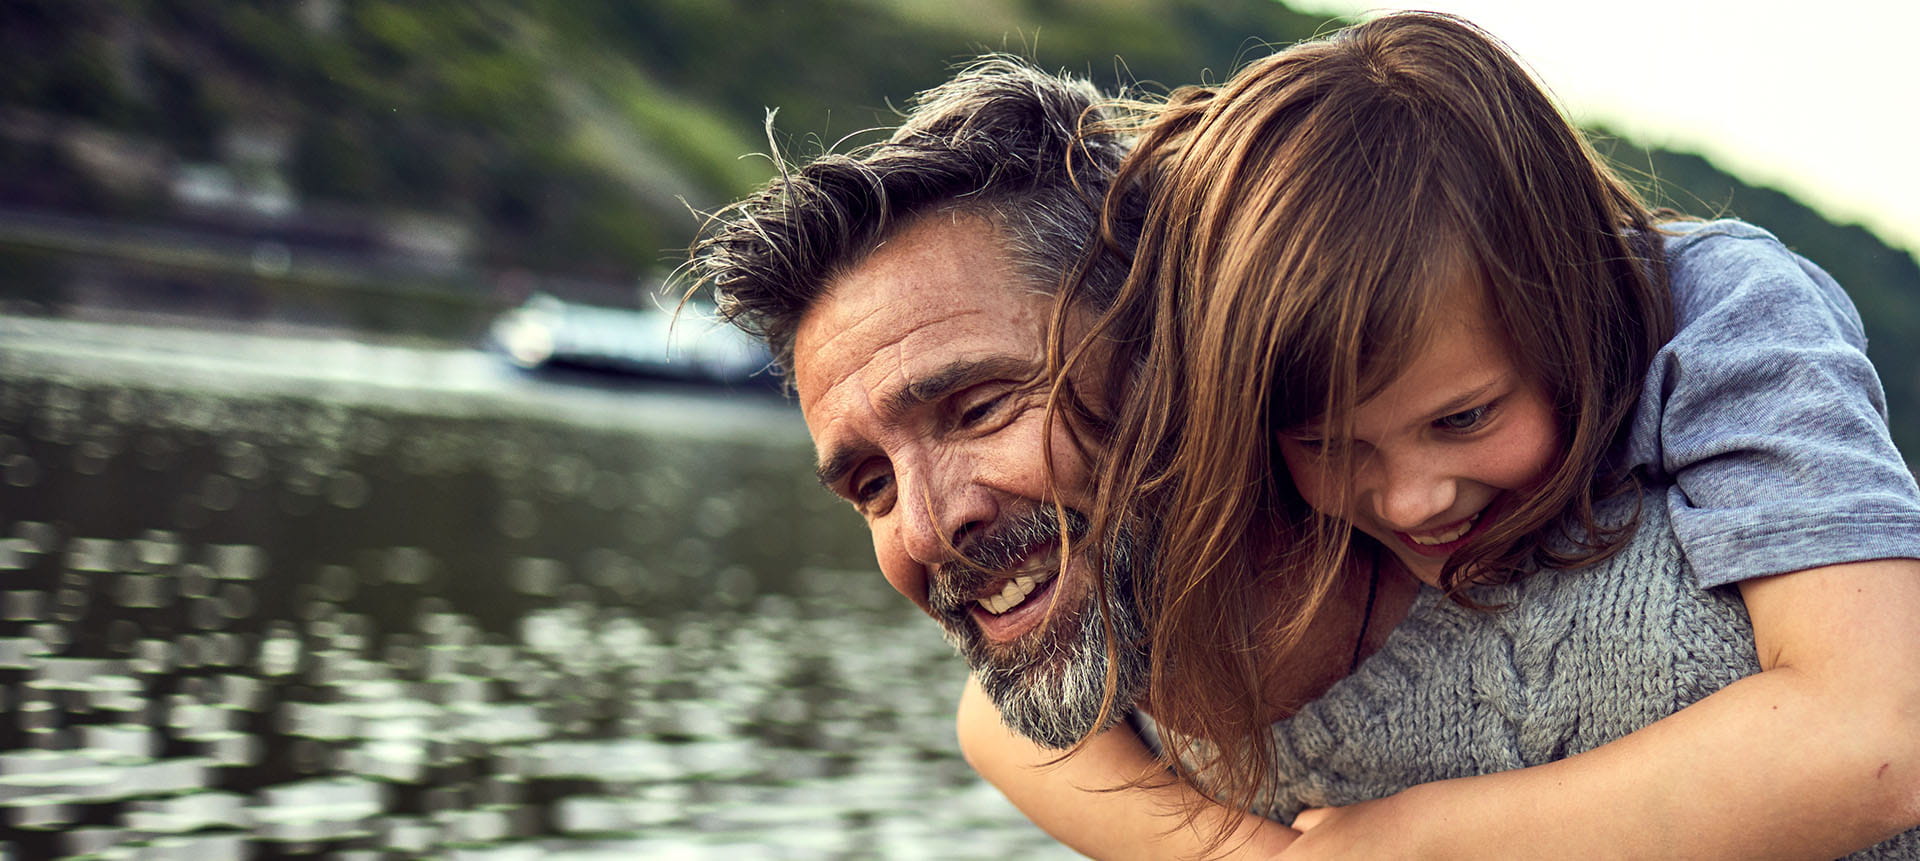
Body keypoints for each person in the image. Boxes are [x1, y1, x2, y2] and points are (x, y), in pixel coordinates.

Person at [689, 36, 1920, 859]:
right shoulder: (1126, 660)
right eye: (865, 484)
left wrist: (1401, 840)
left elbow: (1879, 734)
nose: (927, 521)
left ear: (1172, 336)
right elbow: (994, 721)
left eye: (976, 407)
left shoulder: (1699, 315)